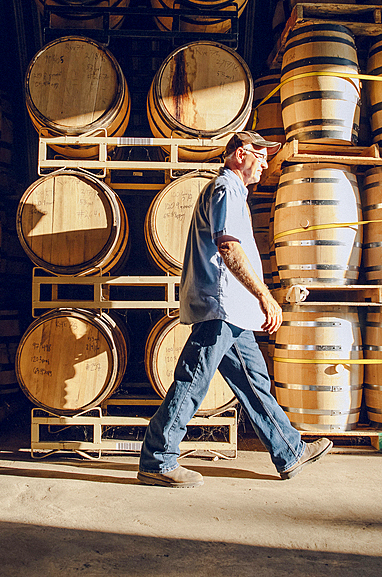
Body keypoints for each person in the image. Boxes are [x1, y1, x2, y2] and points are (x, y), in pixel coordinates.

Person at [138, 131, 332, 488]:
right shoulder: (225, 188)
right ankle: (158, 458)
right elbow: (227, 247)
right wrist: (265, 295)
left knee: (254, 383)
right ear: (240, 154)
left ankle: (289, 450)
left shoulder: (234, 192)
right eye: (260, 155)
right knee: (192, 381)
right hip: (220, 306)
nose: (265, 162)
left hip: (233, 311)